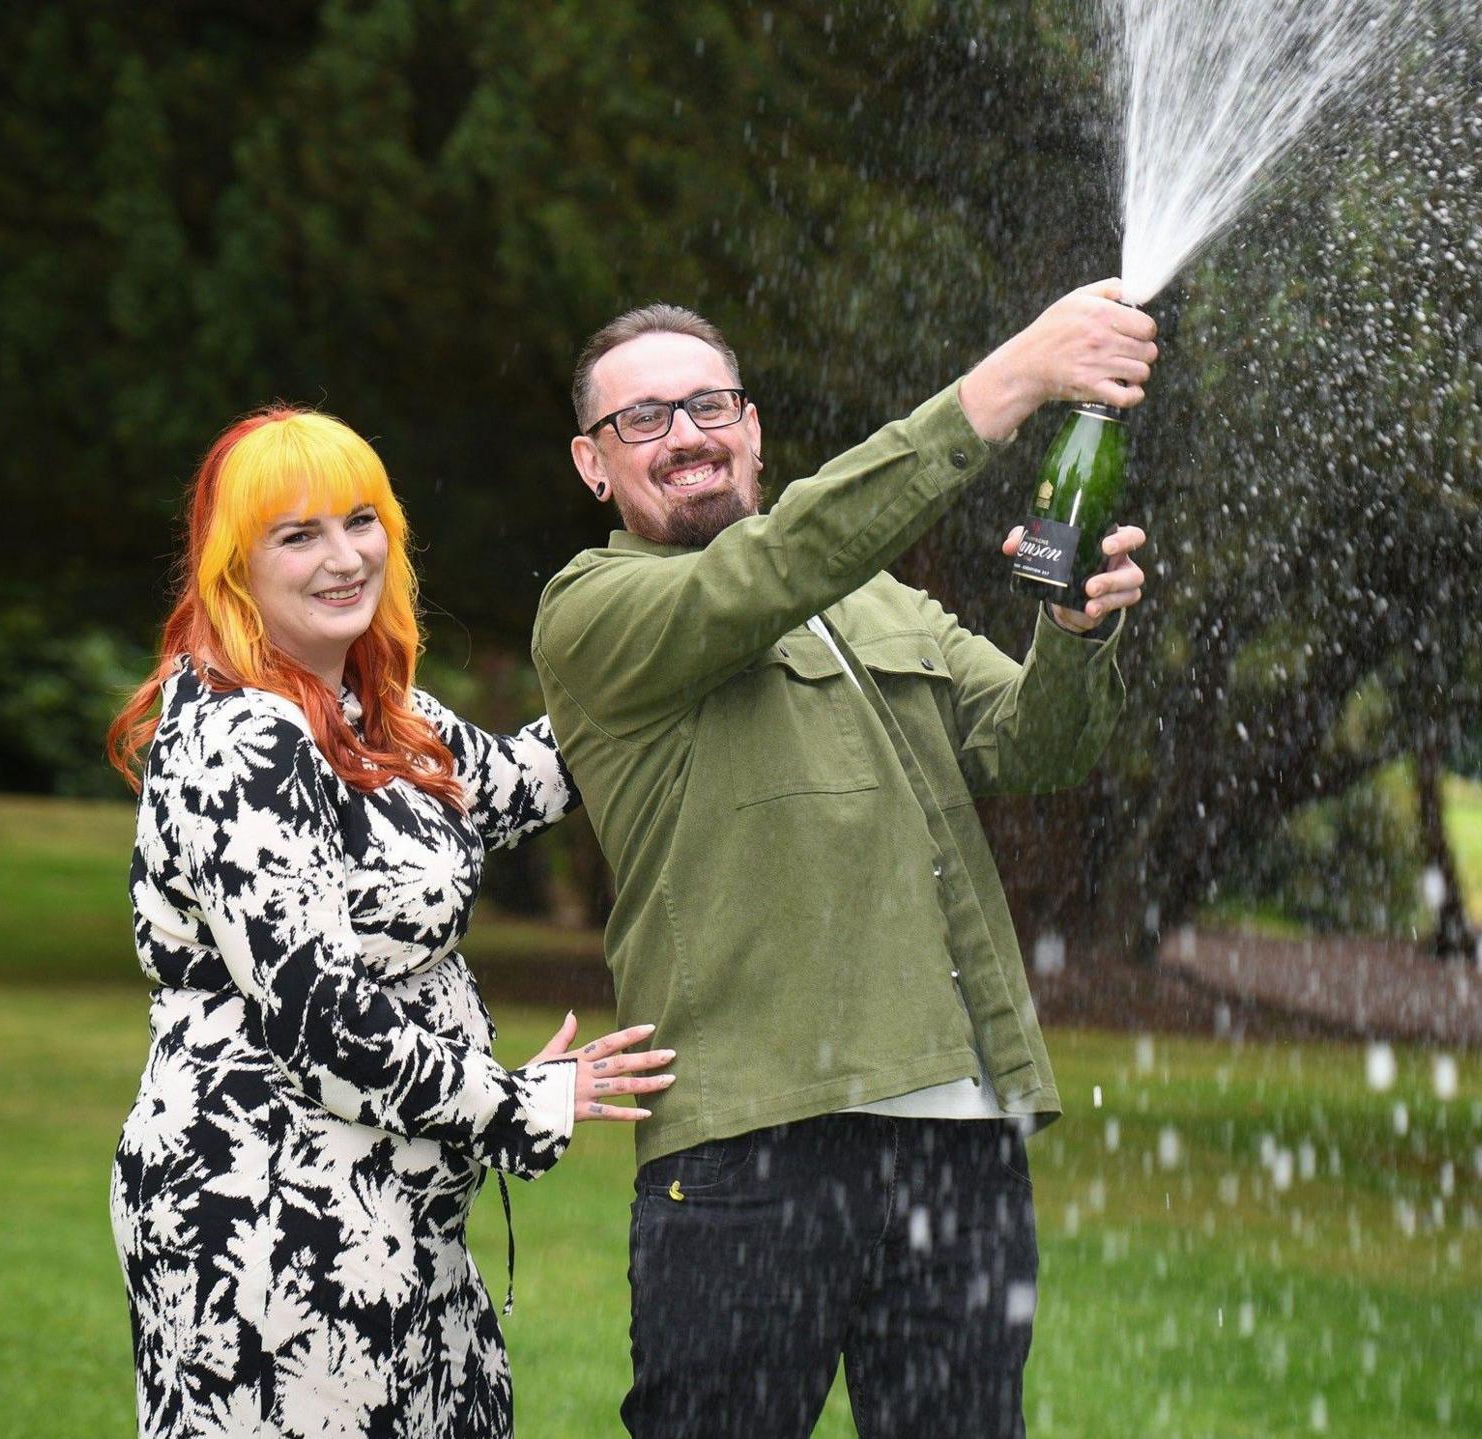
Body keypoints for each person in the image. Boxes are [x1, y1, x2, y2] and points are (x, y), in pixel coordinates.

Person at [532, 280, 1157, 1436]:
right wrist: (1007, 381)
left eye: (708, 404)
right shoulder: (593, 608)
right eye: (645, 419)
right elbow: (773, 568)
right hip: (749, 1141)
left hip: (957, 1142)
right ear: (592, 464)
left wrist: (1074, 637)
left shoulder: (875, 600)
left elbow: (1035, 744)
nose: (686, 435)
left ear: (752, 428)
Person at [103, 406, 676, 1438]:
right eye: (297, 534)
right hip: (267, 1214)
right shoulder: (241, 738)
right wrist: (517, 1104)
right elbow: (321, 1017)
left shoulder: (372, 711)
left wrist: (677, 637)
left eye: (359, 520)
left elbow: (524, 779)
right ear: (233, 566)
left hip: (397, 1211)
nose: (342, 557)